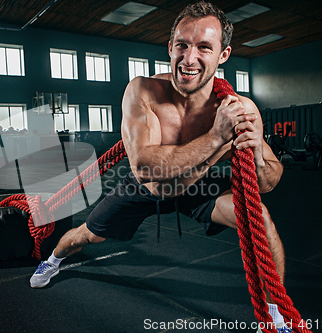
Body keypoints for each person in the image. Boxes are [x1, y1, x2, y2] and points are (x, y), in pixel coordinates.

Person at [30, 2, 289, 332]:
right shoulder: (143, 91)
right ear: (170, 47)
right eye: (182, 45)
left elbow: (268, 179)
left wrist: (253, 152)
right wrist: (215, 139)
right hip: (144, 189)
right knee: (85, 236)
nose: (189, 58)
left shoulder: (238, 108)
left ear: (223, 55)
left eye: (204, 47)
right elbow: (144, 168)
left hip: (198, 186)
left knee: (260, 220)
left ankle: (277, 316)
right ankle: (53, 260)